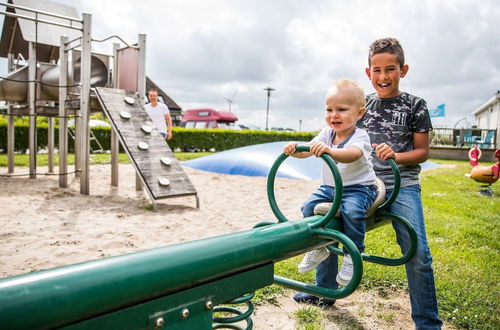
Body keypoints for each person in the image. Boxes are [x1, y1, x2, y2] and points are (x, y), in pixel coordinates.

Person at [295, 38, 443, 329]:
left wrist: (397, 156)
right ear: (368, 73)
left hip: (402, 182)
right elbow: (335, 132)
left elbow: (423, 152)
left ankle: (427, 322)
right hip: (361, 181)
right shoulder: (361, 104)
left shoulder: (415, 105)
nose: (383, 76)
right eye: (377, 70)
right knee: (329, 222)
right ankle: (324, 292)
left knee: (418, 252)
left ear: (403, 69)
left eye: (390, 69)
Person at [284, 79, 378, 306]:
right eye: (329, 109)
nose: (334, 115)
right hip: (330, 188)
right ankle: (319, 248)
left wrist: (330, 150)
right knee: (308, 208)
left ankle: (352, 254)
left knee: (353, 212)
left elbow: (353, 154)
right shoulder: (326, 133)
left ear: (359, 113)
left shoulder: (360, 136)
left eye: (342, 110)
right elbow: (307, 150)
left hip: (359, 188)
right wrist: (294, 149)